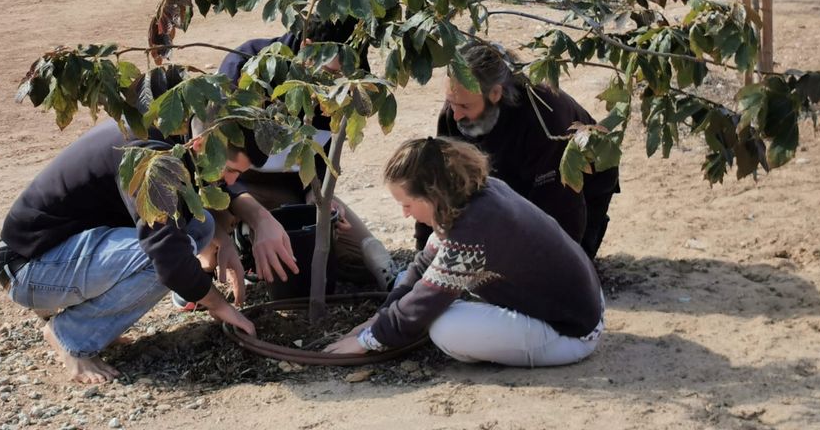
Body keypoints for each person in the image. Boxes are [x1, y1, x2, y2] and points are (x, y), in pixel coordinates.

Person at [0, 118, 297, 384]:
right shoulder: (152, 161)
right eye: (230, 170)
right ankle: (70, 336)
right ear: (202, 143)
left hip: (64, 249)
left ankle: (88, 316)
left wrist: (226, 242)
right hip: (28, 267)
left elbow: (192, 215)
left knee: (199, 229)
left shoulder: (177, 131)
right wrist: (219, 305)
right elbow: (167, 255)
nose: (232, 181)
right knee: (166, 259)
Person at [325, 137, 605, 366]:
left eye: (408, 204)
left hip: (571, 333)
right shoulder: (479, 194)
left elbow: (426, 299)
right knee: (411, 289)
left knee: (445, 327)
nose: (405, 214)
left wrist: (367, 341)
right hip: (581, 309)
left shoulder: (472, 230)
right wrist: (379, 319)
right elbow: (423, 266)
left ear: (432, 195)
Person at [219, 20, 398, 290]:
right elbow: (217, 173)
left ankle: (256, 235)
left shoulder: (339, 88)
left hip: (292, 192)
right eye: (331, 73)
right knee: (276, 254)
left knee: (366, 261)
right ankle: (236, 239)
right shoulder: (247, 68)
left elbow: (320, 155)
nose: (335, 87)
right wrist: (258, 217)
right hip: (239, 188)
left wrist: (317, 196)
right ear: (308, 50)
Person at [430, 43, 620, 258]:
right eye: (450, 102)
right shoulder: (456, 108)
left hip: (580, 183)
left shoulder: (545, 120)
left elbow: (562, 208)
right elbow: (439, 181)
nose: (455, 116)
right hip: (512, 176)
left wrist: (560, 266)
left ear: (495, 93)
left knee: (561, 263)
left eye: (464, 107)